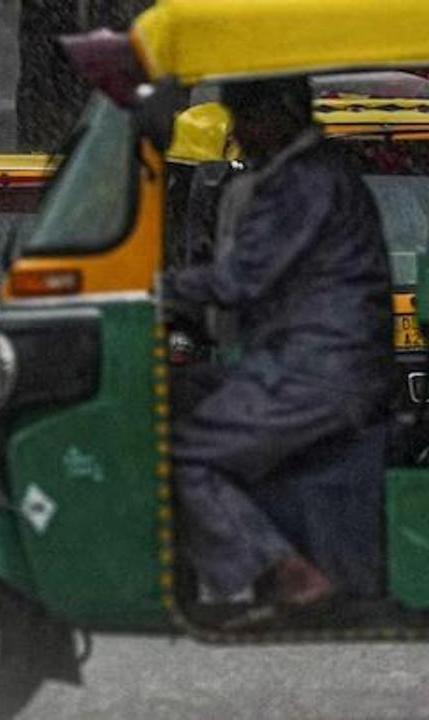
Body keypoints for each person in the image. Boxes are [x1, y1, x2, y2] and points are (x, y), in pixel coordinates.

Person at [164, 77, 394, 617]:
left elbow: (241, 279)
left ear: (280, 114)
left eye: (246, 117)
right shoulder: (312, 172)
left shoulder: (304, 181)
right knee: (176, 393)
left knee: (186, 453)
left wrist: (147, 288)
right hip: (312, 361)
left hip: (317, 371)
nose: (239, 132)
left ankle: (287, 575)